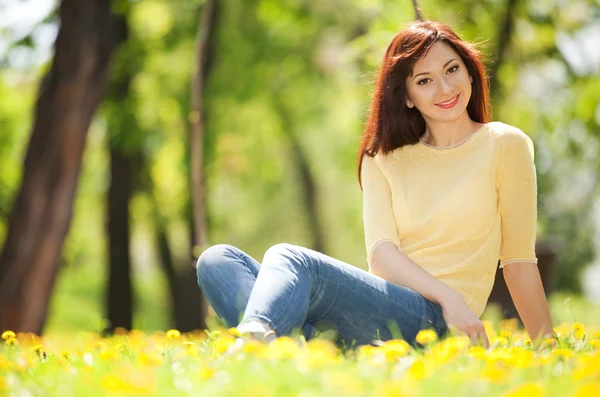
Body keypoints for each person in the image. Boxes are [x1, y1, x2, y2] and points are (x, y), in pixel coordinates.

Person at [195, 20, 554, 349]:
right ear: (408, 96)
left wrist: (547, 347)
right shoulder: (381, 158)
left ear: (470, 72)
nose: (444, 88)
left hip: (440, 323)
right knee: (216, 261)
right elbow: (382, 257)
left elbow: (519, 262)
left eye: (452, 69)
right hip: (384, 311)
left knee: (290, 259)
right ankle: (298, 349)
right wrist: (448, 295)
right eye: (424, 80)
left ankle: (259, 346)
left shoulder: (504, 144)